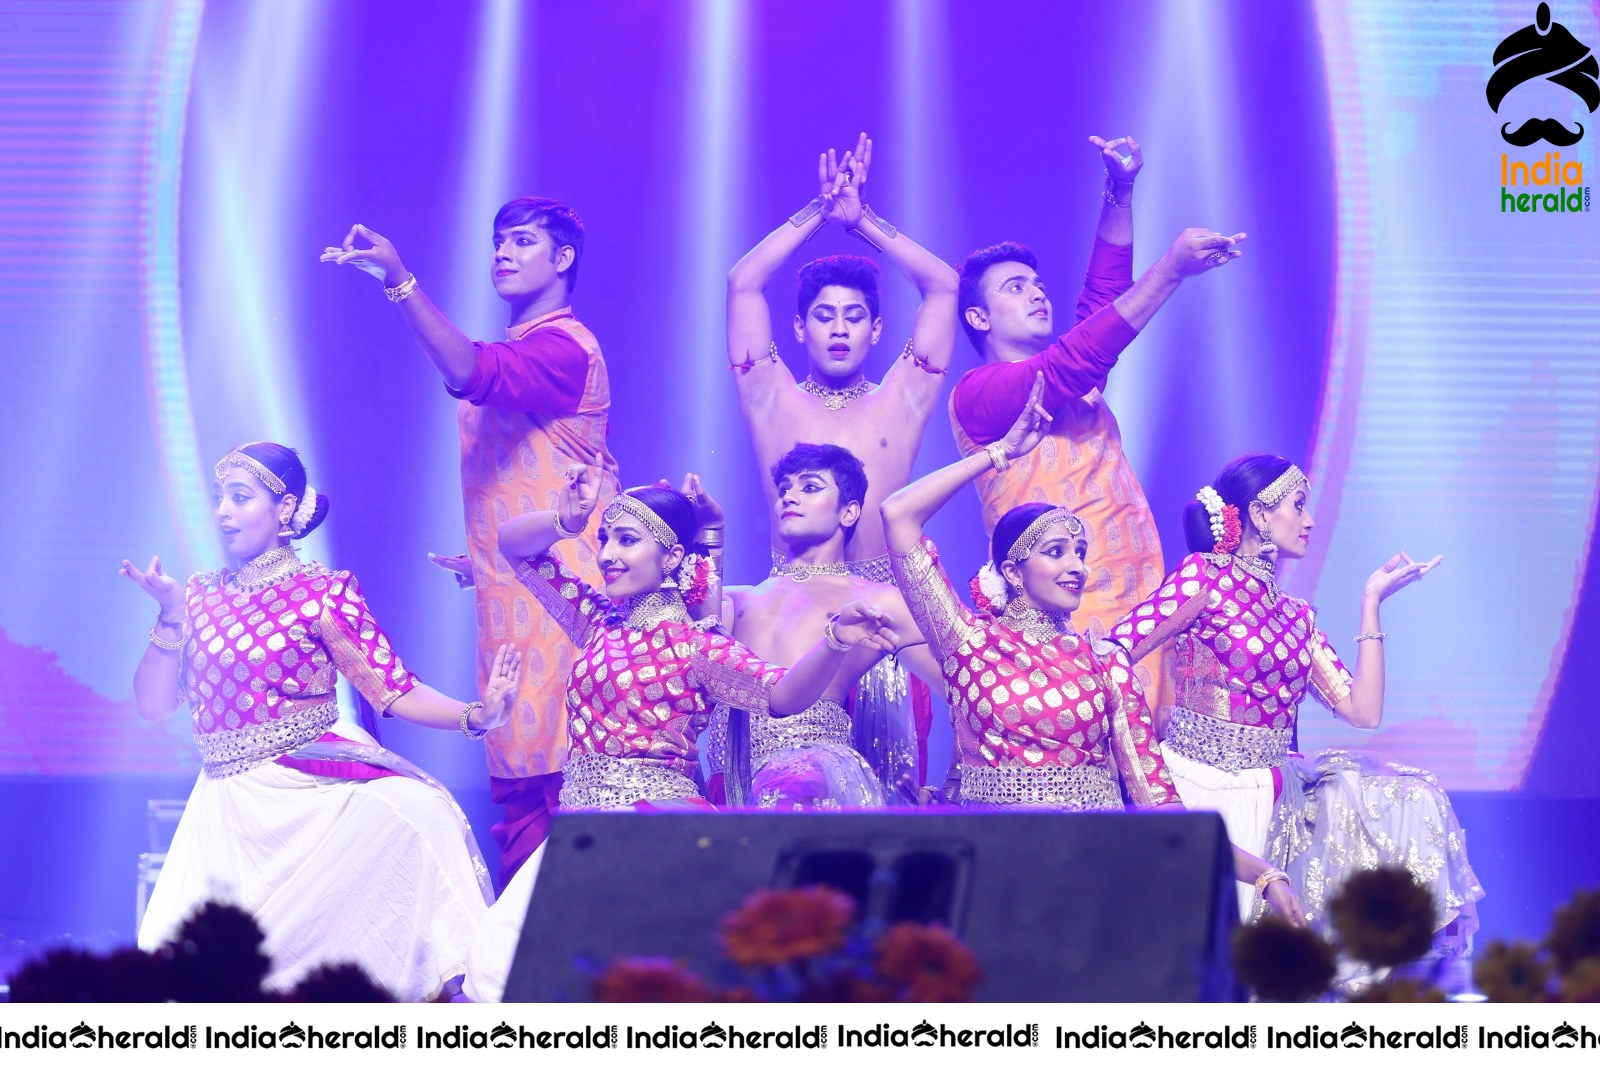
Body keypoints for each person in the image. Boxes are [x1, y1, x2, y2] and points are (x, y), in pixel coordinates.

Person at [463, 469, 896, 1000]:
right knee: (503, 969)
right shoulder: (597, 622)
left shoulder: (697, 646)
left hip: (653, 830)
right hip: (582, 828)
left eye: (626, 540)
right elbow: (513, 547)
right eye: (604, 539)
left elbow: (782, 697)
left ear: (671, 559)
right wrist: (566, 521)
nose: (606, 555)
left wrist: (833, 640)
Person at [121, 442, 518, 1001]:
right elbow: (154, 705)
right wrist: (168, 615)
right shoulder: (199, 595)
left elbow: (394, 689)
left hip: (308, 789)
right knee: (184, 981)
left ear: (284, 510)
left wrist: (477, 715)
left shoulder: (323, 592)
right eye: (220, 499)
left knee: (421, 812)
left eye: (240, 498)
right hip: (227, 811)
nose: (223, 512)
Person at [322, 197, 619, 883]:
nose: (502, 254)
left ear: (563, 257)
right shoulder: (538, 347)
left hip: (565, 607)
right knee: (524, 798)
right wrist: (484, 558)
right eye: (497, 242)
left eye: (521, 241)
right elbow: (554, 464)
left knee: (564, 806)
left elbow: (470, 372)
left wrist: (400, 279)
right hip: (515, 604)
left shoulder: (564, 347)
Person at [1108, 454, 1483, 958]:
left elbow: (1363, 711)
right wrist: (1140, 748)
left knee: (1413, 797)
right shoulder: (1203, 578)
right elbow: (1114, 651)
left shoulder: (1295, 617)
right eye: (1298, 506)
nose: (1309, 520)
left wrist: (1372, 600)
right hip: (1201, 786)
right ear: (1259, 515)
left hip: (1274, 795)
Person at [948, 135, 1246, 722]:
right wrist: (1169, 272)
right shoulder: (981, 395)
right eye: (1015, 288)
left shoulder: (1073, 383)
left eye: (1037, 283)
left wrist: (1121, 191)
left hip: (1136, 603)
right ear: (978, 318)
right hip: (1057, 613)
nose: (1036, 292)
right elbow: (1076, 357)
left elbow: (1101, 308)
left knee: (1149, 772)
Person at [714, 443, 944, 809]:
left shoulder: (877, 601)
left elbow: (966, 683)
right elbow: (674, 632)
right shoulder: (738, 600)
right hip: (728, 785)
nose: (790, 496)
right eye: (784, 489)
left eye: (809, 487)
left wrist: (959, 777)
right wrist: (708, 535)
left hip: (816, 781)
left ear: (849, 512)